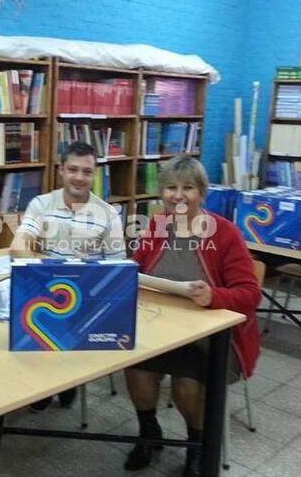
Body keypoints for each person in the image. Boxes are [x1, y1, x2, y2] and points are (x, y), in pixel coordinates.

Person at [125, 156, 261, 477]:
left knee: (187, 385)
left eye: (188, 188)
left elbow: (250, 294)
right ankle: (149, 433)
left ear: (202, 193)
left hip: (211, 338)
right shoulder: (157, 226)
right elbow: (137, 269)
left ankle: (198, 447)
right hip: (160, 328)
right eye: (171, 187)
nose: (178, 195)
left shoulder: (224, 233)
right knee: (134, 368)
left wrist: (214, 296)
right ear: (162, 194)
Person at [10, 142, 126, 409]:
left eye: (87, 171)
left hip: (89, 293)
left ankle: (66, 381)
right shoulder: (41, 204)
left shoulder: (108, 214)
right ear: (61, 170)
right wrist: (46, 277)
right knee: (31, 315)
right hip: (45, 287)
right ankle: (41, 387)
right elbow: (18, 246)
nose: (79, 177)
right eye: (72, 169)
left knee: (69, 320)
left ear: (94, 174)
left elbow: (117, 265)